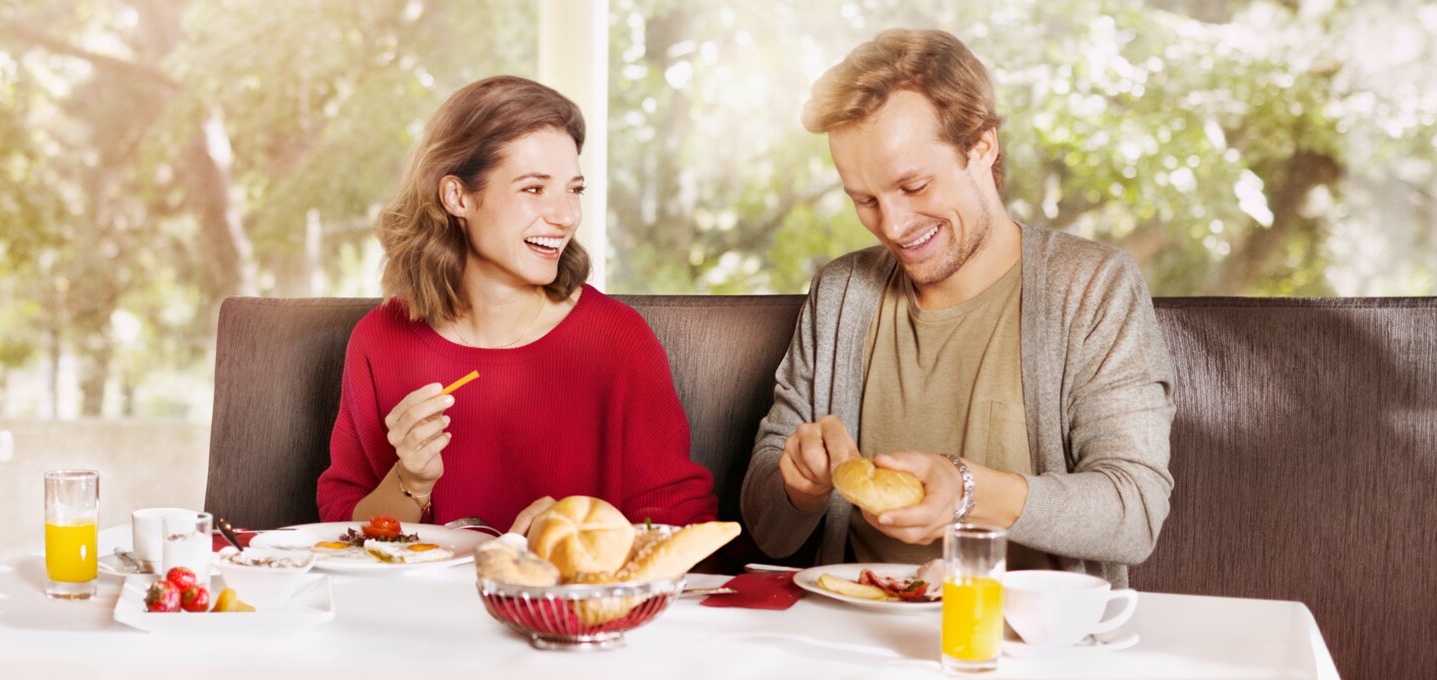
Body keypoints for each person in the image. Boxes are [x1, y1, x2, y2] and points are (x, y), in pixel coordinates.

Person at [740, 30, 1175, 587]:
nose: (893, 226)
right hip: (854, 641)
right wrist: (799, 486)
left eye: (914, 185)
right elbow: (769, 531)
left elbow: (1133, 511)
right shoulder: (842, 293)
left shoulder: (1091, 287)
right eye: (865, 200)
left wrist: (967, 490)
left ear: (982, 147)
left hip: (1024, 649)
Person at [317, 76, 717, 533]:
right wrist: (410, 480)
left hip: (568, 605)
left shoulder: (618, 340)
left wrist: (585, 532)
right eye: (533, 189)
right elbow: (340, 532)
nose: (567, 216)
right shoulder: (380, 339)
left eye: (574, 189)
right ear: (459, 196)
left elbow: (685, 529)